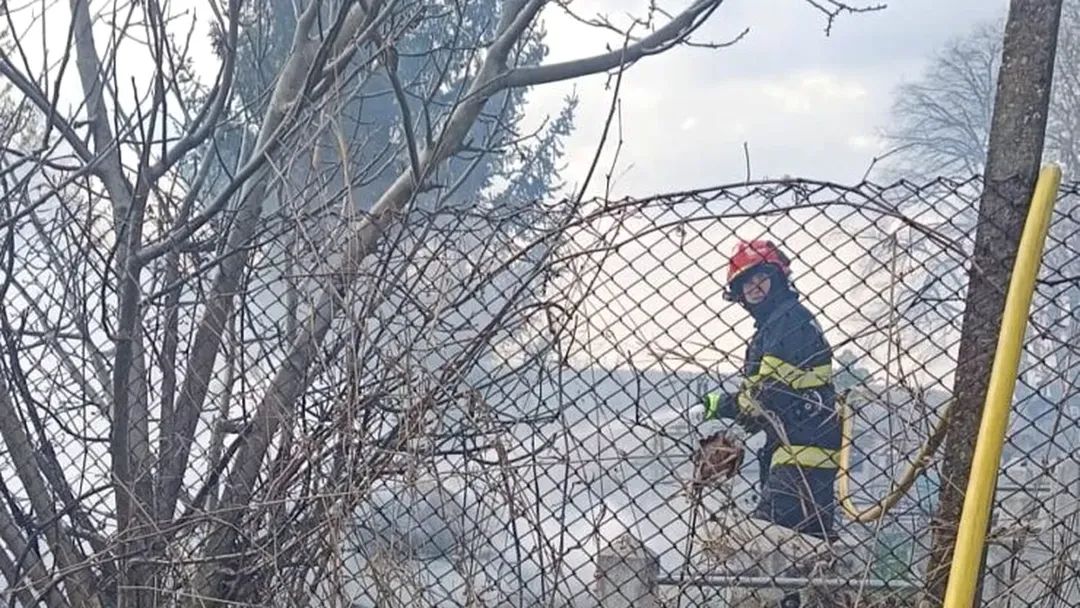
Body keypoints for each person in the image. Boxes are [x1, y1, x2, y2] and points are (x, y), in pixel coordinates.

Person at [691, 239, 842, 606]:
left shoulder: (787, 322)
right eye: (747, 283)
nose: (754, 288)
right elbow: (774, 400)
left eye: (760, 279)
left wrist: (718, 404)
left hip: (799, 457)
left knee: (767, 545)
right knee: (803, 557)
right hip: (796, 449)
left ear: (777, 277)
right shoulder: (781, 322)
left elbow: (762, 396)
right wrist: (737, 427)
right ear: (739, 294)